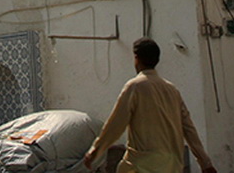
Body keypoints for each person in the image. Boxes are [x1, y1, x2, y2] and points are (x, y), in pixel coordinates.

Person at [84, 38, 217, 173]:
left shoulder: (135, 86)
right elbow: (189, 129)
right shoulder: (172, 90)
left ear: (137, 58)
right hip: (173, 164)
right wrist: (205, 162)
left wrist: (96, 150)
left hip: (143, 164)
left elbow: (116, 124)